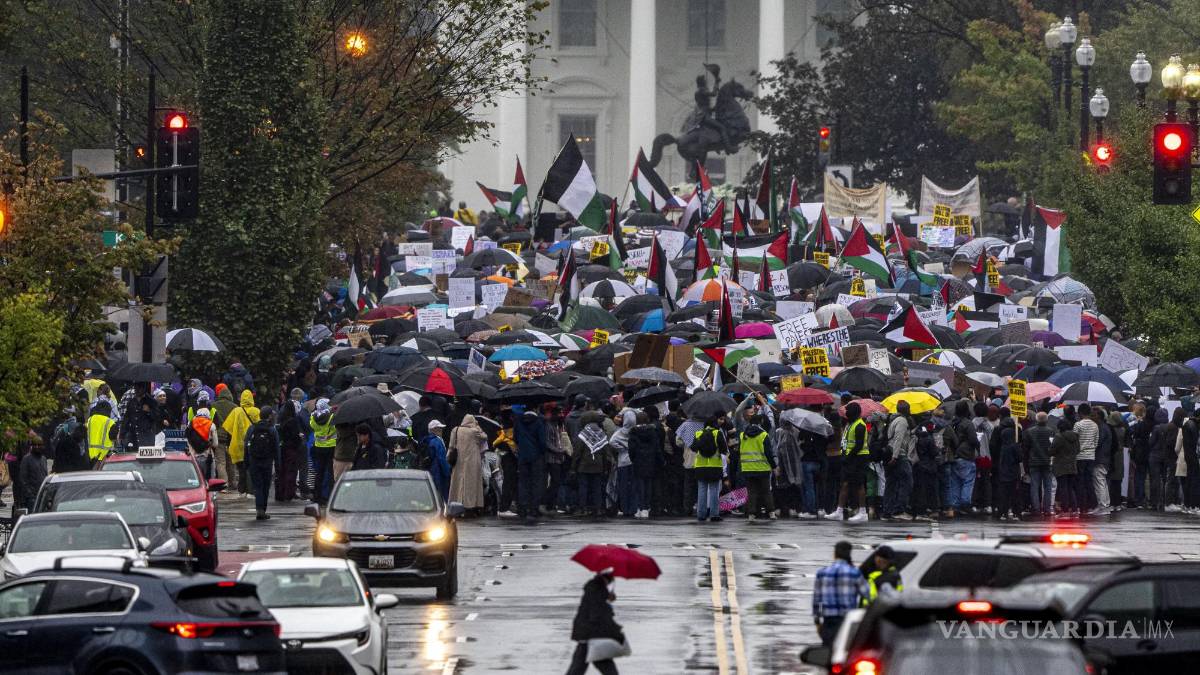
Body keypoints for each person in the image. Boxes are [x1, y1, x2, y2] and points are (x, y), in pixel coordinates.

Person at [566, 569, 626, 675]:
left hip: (588, 635)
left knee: (578, 668)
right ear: (608, 578)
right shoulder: (598, 589)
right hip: (593, 636)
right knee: (607, 668)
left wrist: (607, 599)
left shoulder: (596, 588)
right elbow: (598, 614)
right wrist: (615, 631)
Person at [813, 541, 865, 646]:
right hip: (847, 620)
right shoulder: (855, 573)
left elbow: (817, 600)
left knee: (829, 652)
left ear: (834, 554)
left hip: (829, 621)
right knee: (845, 652)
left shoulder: (822, 572)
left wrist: (818, 622)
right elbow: (867, 594)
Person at [825, 402, 869, 522]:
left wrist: (848, 457)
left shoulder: (859, 425)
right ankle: (839, 511)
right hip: (848, 458)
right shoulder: (850, 424)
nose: (846, 413)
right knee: (844, 484)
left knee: (859, 484)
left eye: (848, 411)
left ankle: (863, 512)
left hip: (858, 459)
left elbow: (859, 445)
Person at [572, 404, 614, 519]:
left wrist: (573, 467)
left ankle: (583, 508)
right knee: (597, 488)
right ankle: (598, 508)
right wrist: (606, 467)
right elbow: (606, 452)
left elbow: (577, 453)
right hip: (598, 466)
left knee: (583, 487)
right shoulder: (601, 433)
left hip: (583, 466)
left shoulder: (583, 434)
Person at [221, 390, 260, 498]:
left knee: (241, 469)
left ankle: (241, 490)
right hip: (252, 444)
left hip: (238, 445)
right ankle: (250, 491)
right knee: (251, 468)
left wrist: (228, 444)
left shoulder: (236, 411)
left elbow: (229, 430)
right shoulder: (256, 411)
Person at [881, 401, 915, 521]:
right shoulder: (902, 421)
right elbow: (898, 439)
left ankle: (887, 511)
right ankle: (899, 510)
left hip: (891, 453)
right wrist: (895, 457)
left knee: (891, 483)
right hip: (899, 455)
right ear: (907, 409)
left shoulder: (893, 419)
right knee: (907, 481)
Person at [738, 414, 775, 521]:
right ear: (760, 422)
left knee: (751, 491)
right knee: (766, 491)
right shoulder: (763, 435)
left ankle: (751, 514)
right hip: (763, 468)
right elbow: (768, 452)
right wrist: (774, 466)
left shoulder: (742, 435)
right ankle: (771, 512)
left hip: (747, 468)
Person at [514, 409, 548, 525]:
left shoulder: (519, 422)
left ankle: (523, 507)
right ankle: (534, 508)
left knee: (523, 482)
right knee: (536, 482)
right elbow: (543, 442)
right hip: (536, 457)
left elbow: (516, 438)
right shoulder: (538, 422)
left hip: (523, 456)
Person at [246, 406, 280, 520]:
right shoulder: (272, 429)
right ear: (270, 416)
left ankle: (259, 509)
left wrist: (246, 461)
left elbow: (246, 446)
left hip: (254, 461)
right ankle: (263, 510)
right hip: (267, 462)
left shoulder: (252, 428)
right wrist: (278, 463)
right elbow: (276, 448)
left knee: (257, 486)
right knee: (266, 486)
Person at [449, 414, 487, 512]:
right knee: (471, 484)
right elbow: (485, 437)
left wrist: (448, 458)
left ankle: (456, 503)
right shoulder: (475, 431)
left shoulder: (455, 430)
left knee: (457, 482)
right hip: (472, 461)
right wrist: (477, 425)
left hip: (458, 460)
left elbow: (451, 446)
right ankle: (470, 505)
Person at [693, 417, 727, 522]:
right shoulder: (717, 433)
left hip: (700, 467)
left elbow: (693, 448)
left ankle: (701, 514)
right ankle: (714, 514)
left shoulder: (698, 433)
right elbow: (724, 450)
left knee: (702, 490)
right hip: (714, 466)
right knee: (714, 490)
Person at [628, 411, 661, 520]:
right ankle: (646, 508)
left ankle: (640, 507)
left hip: (638, 460)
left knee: (639, 485)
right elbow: (657, 448)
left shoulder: (633, 432)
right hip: (650, 461)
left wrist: (633, 458)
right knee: (648, 485)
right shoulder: (653, 431)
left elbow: (631, 449)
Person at [1023, 411, 1056, 518]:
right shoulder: (1051, 431)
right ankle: (1047, 509)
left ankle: (1036, 508)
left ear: (1037, 420)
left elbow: (1026, 449)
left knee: (1034, 486)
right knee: (1048, 486)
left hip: (1034, 462)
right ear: (1046, 420)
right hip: (1047, 462)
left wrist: (1025, 464)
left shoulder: (1029, 432)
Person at [949, 400, 979, 517]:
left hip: (954, 454)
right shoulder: (968, 423)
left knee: (955, 481)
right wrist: (978, 446)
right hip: (966, 455)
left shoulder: (952, 422)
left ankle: (955, 504)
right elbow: (973, 439)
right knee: (968, 481)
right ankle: (965, 503)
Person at [992, 413, 1022, 521]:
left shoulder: (1003, 447)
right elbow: (1020, 458)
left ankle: (1002, 512)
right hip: (1014, 471)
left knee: (1003, 492)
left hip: (1003, 471)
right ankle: (1016, 512)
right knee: (1015, 492)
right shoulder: (1015, 445)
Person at [275, 401, 304, 502]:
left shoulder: (280, 420)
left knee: (282, 471)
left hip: (282, 449)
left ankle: (280, 493)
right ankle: (289, 493)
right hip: (292, 449)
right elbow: (294, 436)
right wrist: (299, 438)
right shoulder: (293, 421)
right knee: (291, 471)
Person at [309, 398, 337, 504]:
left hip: (318, 447)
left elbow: (312, 427)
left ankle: (317, 496)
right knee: (330, 472)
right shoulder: (331, 417)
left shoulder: (312, 417)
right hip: (331, 446)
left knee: (319, 472)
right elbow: (335, 429)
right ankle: (328, 496)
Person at [1073, 403, 1100, 511]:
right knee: (1089, 481)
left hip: (1079, 457)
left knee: (1080, 481)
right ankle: (1092, 504)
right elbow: (1096, 442)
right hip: (1091, 456)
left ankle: (1081, 504)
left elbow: (1074, 441)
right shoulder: (1095, 425)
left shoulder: (1077, 425)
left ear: (1080, 413)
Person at [211, 385, 238, 490]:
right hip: (231, 438)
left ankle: (224, 484)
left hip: (218, 437)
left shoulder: (213, 406)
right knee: (231, 462)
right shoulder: (235, 407)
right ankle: (233, 483)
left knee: (220, 462)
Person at [1052, 422, 1080, 518]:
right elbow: (1078, 450)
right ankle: (1074, 509)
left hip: (1061, 465)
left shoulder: (1059, 437)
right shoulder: (1076, 437)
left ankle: (1064, 510)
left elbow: (1052, 450)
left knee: (1063, 488)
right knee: (1070, 488)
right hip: (1072, 465)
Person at [423, 420, 451, 501]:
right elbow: (442, 458)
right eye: (439, 428)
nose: (441, 430)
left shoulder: (427, 440)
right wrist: (448, 472)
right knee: (442, 496)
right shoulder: (437, 441)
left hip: (431, 470)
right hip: (439, 472)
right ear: (434, 430)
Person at [86, 400, 118, 467]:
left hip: (88, 458)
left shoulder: (90, 420)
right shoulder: (110, 423)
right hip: (105, 460)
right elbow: (113, 438)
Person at [18, 441, 47, 512]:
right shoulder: (26, 459)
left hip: (42, 495)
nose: (37, 447)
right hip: (31, 497)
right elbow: (23, 479)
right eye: (34, 445)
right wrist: (29, 493)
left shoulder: (43, 459)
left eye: (39, 445)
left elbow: (44, 475)